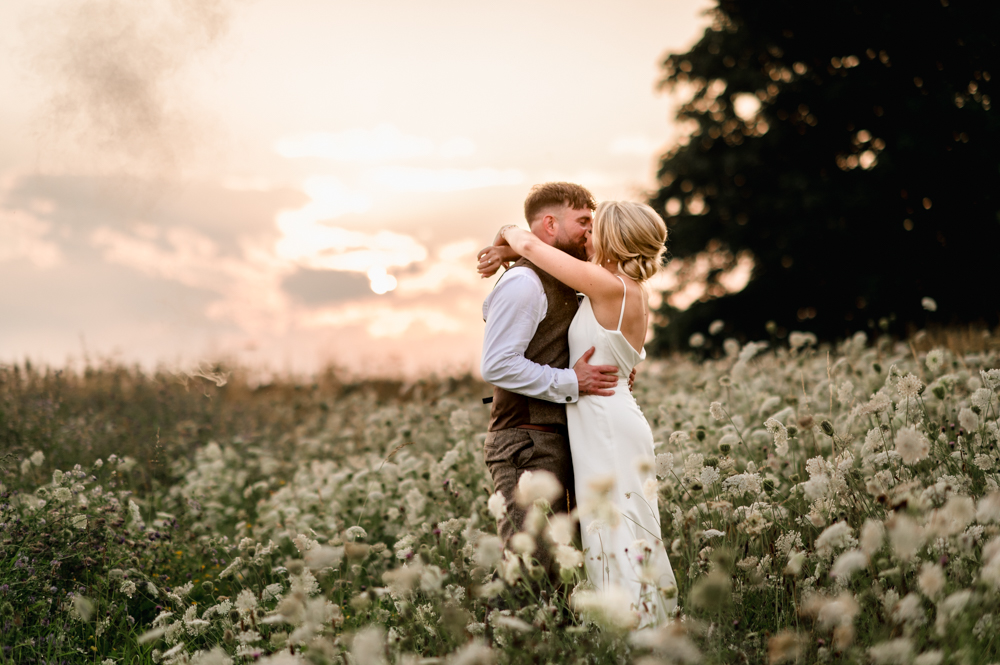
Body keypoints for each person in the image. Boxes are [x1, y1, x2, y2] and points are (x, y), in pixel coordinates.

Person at [480, 199, 677, 628]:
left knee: (616, 529)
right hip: (607, 415)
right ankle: (635, 624)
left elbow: (531, 246)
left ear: (612, 238)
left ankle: (635, 631)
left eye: (594, 227)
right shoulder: (621, 288)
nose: (587, 235)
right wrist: (506, 253)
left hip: (605, 419)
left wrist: (506, 236)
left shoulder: (607, 285)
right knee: (617, 527)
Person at [478, 183, 622, 578]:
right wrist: (573, 381)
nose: (590, 231)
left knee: (565, 570)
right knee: (532, 570)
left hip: (560, 440)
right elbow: (497, 365)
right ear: (549, 224)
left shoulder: (571, 278)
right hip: (525, 442)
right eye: (583, 221)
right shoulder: (524, 283)